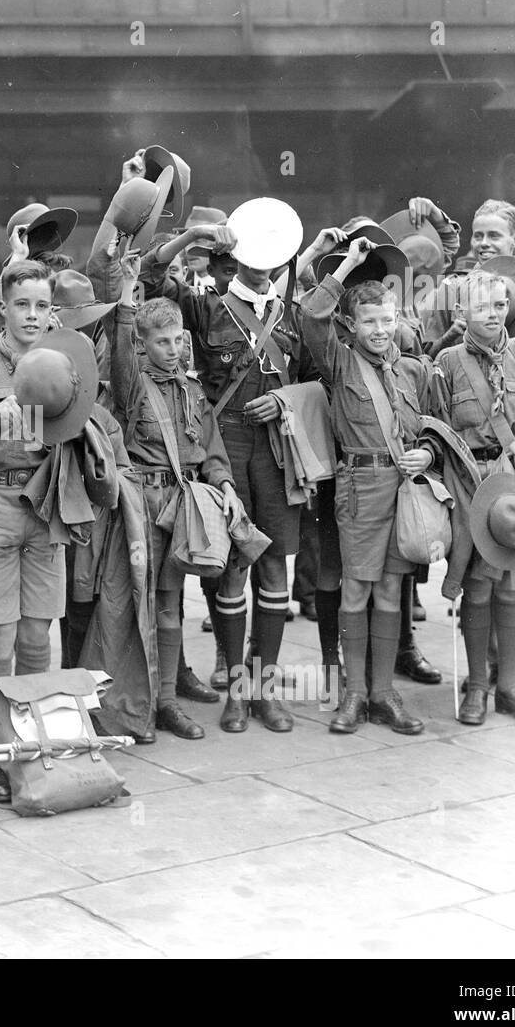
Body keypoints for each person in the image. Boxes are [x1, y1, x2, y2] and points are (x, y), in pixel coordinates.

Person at [140, 203, 315, 734]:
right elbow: (150, 276)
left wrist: (285, 400)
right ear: (232, 255)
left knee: (273, 565)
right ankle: (237, 691)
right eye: (252, 255)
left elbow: (316, 382)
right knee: (235, 562)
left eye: (272, 257)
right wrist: (192, 234)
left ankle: (264, 692)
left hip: (280, 447)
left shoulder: (291, 313)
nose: (263, 266)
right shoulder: (206, 306)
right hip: (227, 441)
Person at [301, 239, 435, 734]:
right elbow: (311, 316)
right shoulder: (338, 363)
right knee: (355, 589)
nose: (380, 331)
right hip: (358, 487)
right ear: (352, 326)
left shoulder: (411, 370)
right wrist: (350, 265)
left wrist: (430, 453)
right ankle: (353, 694)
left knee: (390, 591)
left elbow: (432, 428)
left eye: (387, 320)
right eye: (370, 322)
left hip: (402, 487)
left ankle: (384, 694)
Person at [110, 257, 242, 741]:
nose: (173, 350)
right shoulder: (130, 386)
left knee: (169, 605)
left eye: (178, 340)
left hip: (179, 504)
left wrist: (224, 484)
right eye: (161, 342)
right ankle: (137, 705)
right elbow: (121, 359)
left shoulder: (191, 389)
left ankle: (165, 702)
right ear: (142, 346)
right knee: (136, 607)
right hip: (140, 503)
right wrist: (126, 299)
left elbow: (211, 447)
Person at [434, 263, 515, 725]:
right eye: (481, 307)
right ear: (460, 311)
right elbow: (434, 428)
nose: (493, 315)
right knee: (477, 587)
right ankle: (477, 688)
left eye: (499, 305)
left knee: (512, 586)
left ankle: (508, 686)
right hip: (472, 482)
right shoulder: (448, 363)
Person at [0, 259, 72, 802]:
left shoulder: (65, 362)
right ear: (2, 306)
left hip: (47, 502)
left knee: (36, 635)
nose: (32, 314)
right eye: (21, 304)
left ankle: (34, 742)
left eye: (41, 305)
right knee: (0, 639)